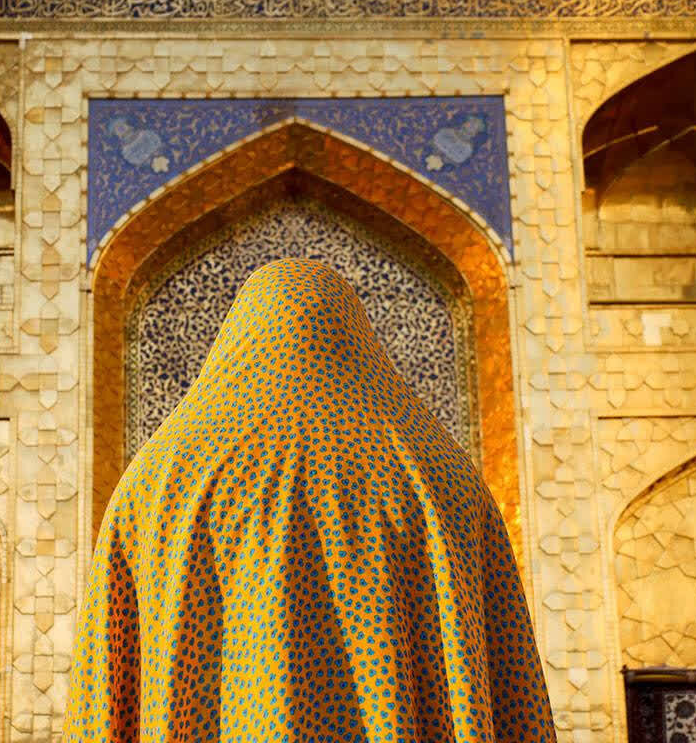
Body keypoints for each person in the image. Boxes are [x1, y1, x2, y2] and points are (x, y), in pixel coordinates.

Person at [66, 258, 555, 742]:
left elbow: (106, 688)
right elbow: (513, 689)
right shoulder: (443, 478)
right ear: (358, 336)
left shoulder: (157, 482)